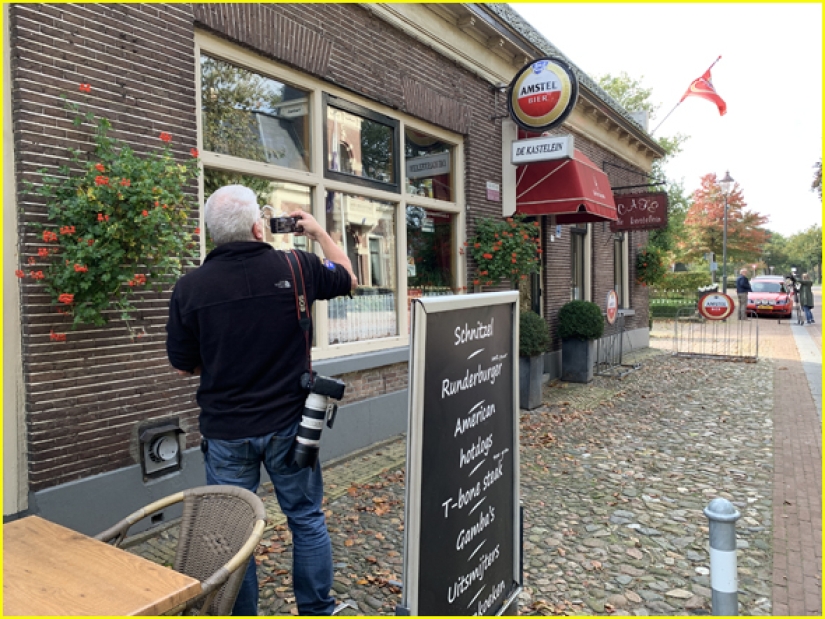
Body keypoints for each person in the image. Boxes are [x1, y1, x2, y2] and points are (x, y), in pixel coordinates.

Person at [166, 184, 357, 616]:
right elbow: (348, 277)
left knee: (235, 533)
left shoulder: (189, 288)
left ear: (212, 233)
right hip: (291, 425)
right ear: (259, 226)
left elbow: (182, 365)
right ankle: (316, 609)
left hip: (227, 431)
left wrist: (220, 359)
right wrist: (319, 234)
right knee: (305, 517)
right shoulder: (296, 264)